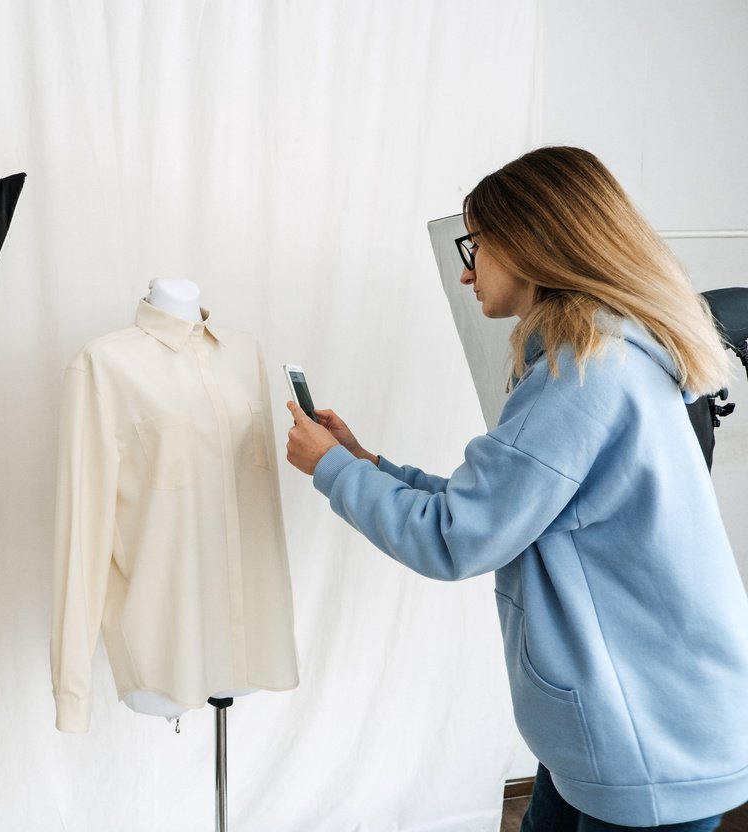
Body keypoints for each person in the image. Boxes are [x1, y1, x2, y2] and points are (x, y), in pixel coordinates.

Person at [285, 146, 748, 831]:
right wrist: (364, 460)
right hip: (620, 726)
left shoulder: (584, 376)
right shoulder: (605, 357)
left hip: (644, 745)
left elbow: (454, 539)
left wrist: (333, 470)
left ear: (534, 243)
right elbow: (498, 506)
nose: (467, 269)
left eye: (479, 245)